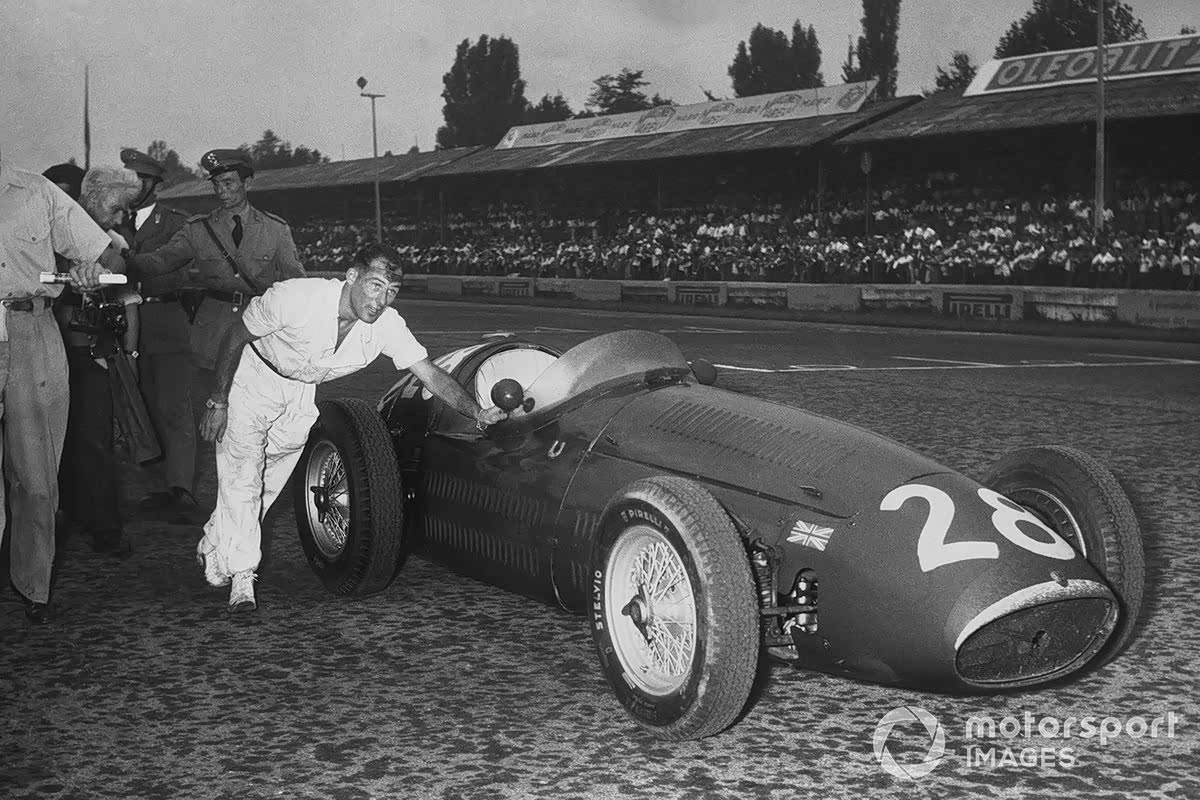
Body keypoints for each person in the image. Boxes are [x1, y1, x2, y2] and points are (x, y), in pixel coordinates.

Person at [196, 243, 506, 612]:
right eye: (375, 286)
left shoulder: (387, 325)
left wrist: (477, 413)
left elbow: (430, 375)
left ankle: (214, 542)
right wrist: (218, 401)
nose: (381, 301)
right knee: (243, 476)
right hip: (252, 378)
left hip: (299, 393)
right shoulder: (294, 298)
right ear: (352, 276)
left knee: (266, 485)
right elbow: (235, 336)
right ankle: (243, 578)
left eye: (392, 291)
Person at [0, 150, 125, 624]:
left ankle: (33, 587)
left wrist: (93, 272)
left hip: (32, 331)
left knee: (36, 477)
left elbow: (108, 255)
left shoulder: (37, 192)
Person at [127, 149, 307, 373]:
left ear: (247, 183)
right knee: (210, 391)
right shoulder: (198, 228)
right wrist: (123, 262)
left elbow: (296, 282)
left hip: (259, 326)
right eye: (216, 184)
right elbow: (161, 261)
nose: (221, 191)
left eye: (228, 183)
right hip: (212, 332)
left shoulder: (275, 229)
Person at [49, 165, 145, 556]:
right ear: (92, 196)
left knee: (95, 439)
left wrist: (99, 268)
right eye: (117, 207)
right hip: (48, 349)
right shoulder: (50, 230)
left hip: (90, 354)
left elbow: (121, 270)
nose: (121, 217)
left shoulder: (111, 241)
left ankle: (105, 527)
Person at [117, 148, 198, 513]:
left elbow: (176, 270)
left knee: (173, 407)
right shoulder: (114, 222)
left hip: (163, 318)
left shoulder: (176, 223)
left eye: (139, 180)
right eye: (128, 180)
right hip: (122, 321)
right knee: (139, 407)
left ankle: (180, 487)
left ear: (155, 184)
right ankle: (155, 489)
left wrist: (128, 264)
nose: (132, 187)